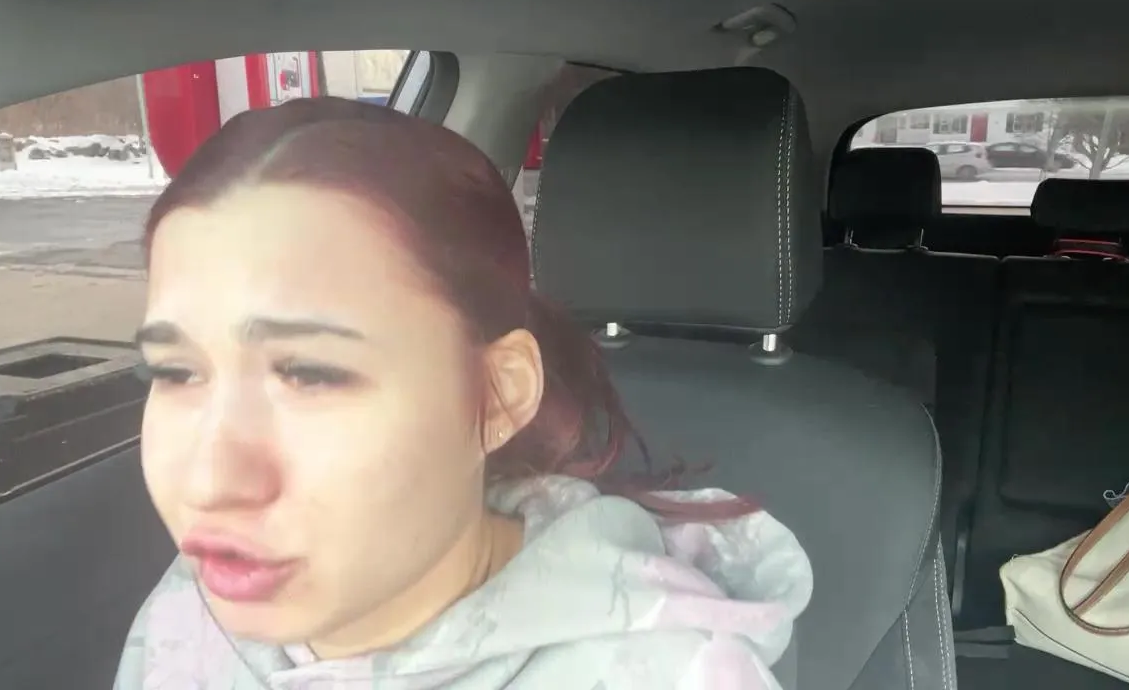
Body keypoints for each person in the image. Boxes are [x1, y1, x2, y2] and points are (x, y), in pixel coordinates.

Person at [114, 96, 812, 690]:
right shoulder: (195, 606)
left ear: (500, 395)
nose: (209, 482)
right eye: (175, 372)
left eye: (310, 373)